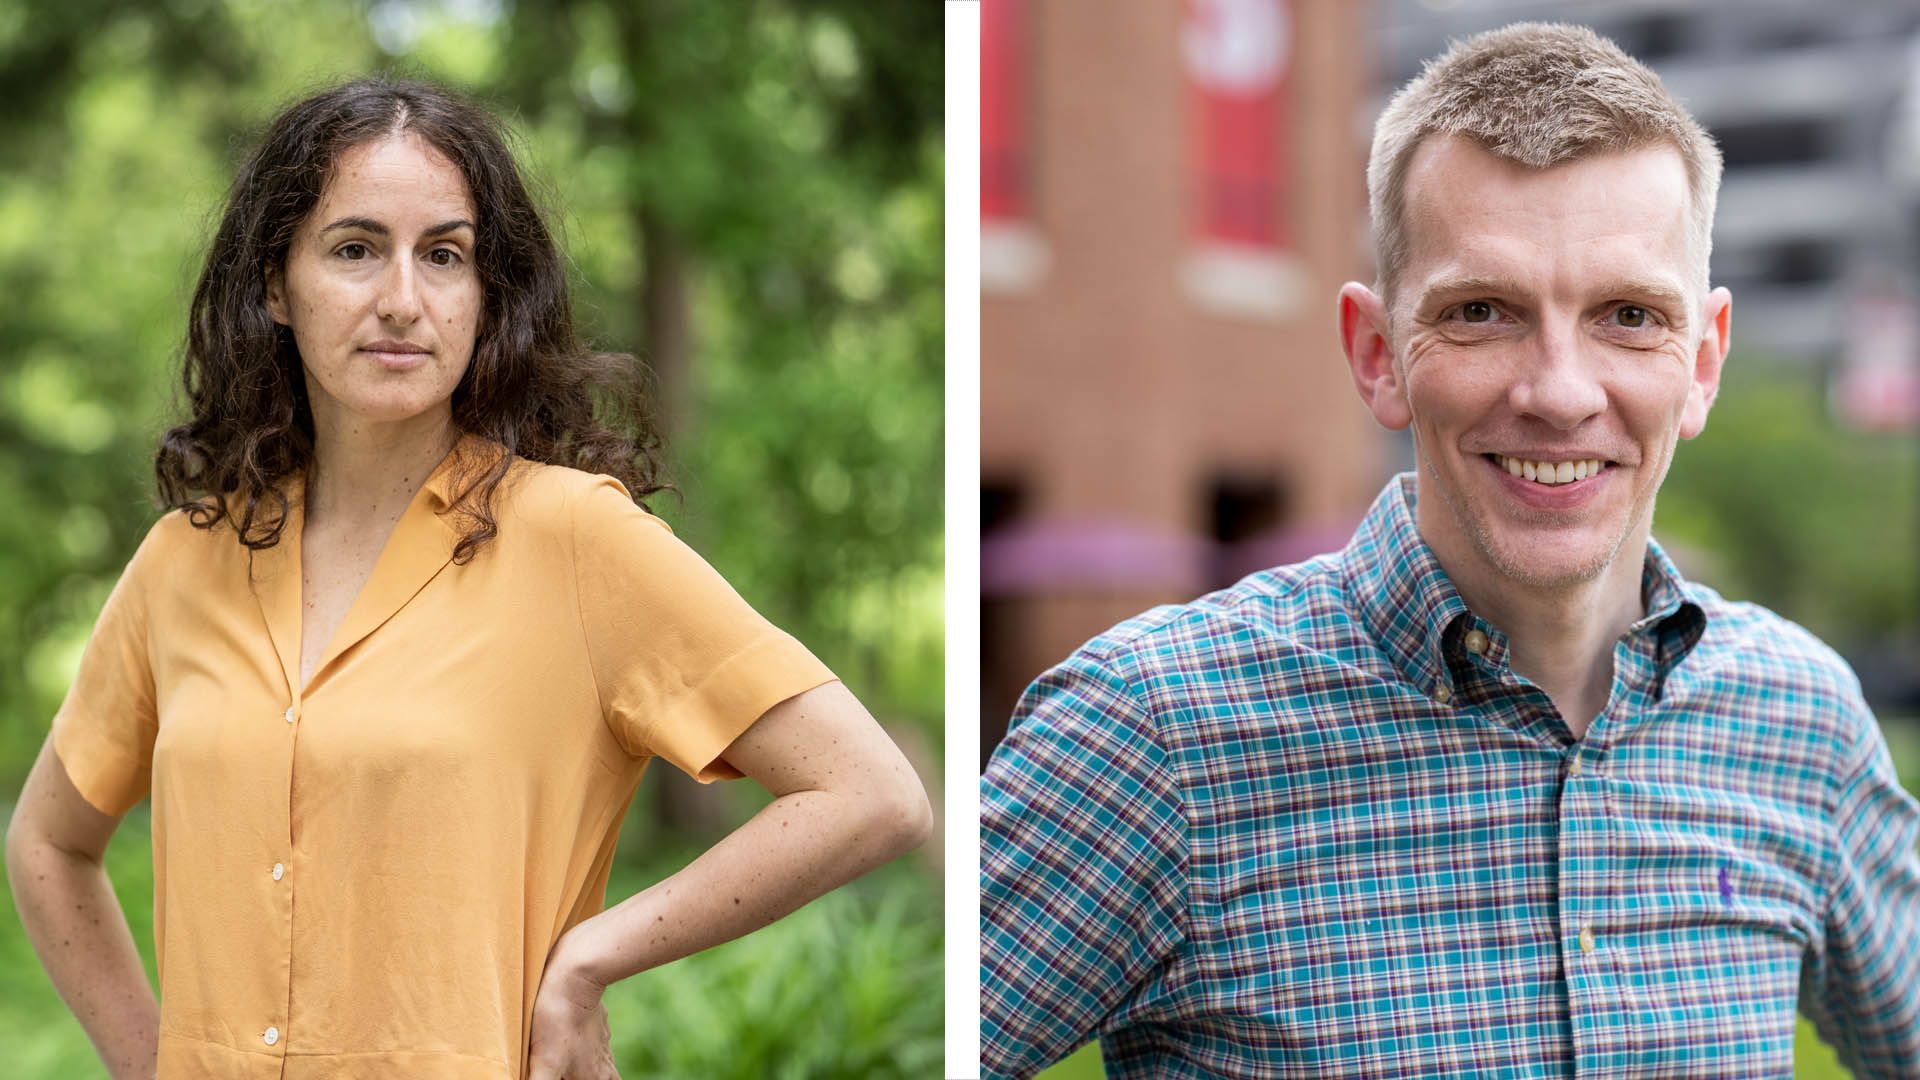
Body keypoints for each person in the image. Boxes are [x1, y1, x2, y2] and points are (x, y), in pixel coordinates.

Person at [980, 22, 1920, 1079]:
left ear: (1701, 363)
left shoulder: (1803, 725)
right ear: (1380, 356)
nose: (1561, 391)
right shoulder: (1151, 736)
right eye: (1483, 312)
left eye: (1627, 315)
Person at [4, 77, 931, 1080]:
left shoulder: (574, 539)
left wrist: (592, 957)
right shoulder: (186, 560)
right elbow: (48, 844)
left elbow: (869, 790)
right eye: (355, 249)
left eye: (444, 256)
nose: (403, 299)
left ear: (486, 294)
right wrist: (152, 1065)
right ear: (275, 284)